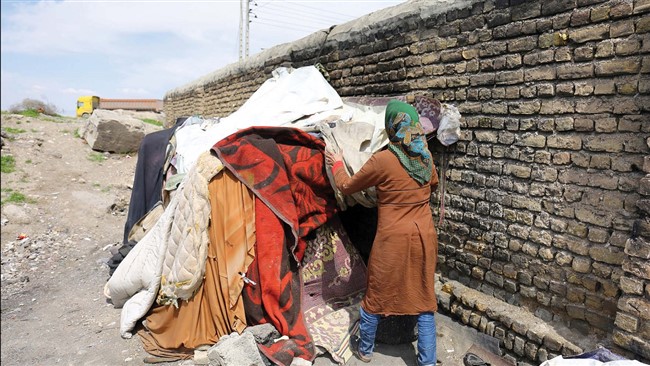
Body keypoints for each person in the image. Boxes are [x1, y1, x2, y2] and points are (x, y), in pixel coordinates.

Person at [325, 99, 440, 366]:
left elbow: (346, 186)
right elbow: (432, 185)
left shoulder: (383, 160)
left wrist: (337, 163)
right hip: (424, 237)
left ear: (391, 127)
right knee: (424, 298)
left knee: (376, 293)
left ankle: (364, 350)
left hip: (391, 240)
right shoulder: (425, 157)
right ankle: (428, 361)